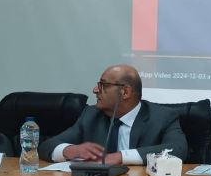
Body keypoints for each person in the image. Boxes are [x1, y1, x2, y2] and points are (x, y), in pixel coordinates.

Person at [39, 64, 188, 165]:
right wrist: (70, 150)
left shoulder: (162, 117)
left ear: (125, 92)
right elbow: (46, 146)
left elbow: (178, 149)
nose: (95, 90)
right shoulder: (91, 115)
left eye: (103, 85)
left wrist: (121, 157)